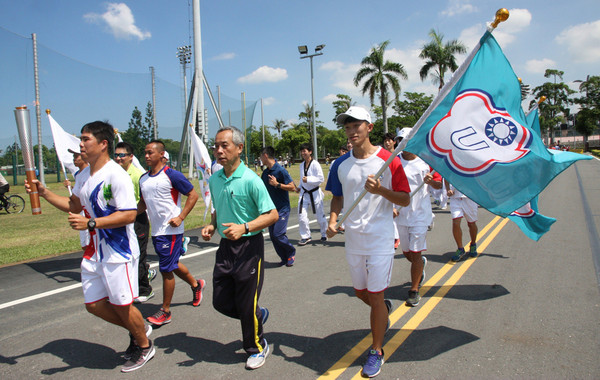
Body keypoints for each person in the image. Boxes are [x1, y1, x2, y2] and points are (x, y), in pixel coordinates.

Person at [25, 121, 154, 372]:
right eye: (81, 140)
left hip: (119, 250)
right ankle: (139, 329)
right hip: (94, 250)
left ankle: (144, 345)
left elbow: (128, 215)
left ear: (103, 143)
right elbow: (74, 206)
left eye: (85, 139)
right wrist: (45, 193)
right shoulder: (83, 175)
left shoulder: (116, 175)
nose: (80, 144)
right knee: (94, 305)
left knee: (122, 304)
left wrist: (91, 223)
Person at [326, 106, 411, 378]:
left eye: (356, 126)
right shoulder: (340, 164)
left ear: (369, 127)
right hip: (353, 240)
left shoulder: (389, 160)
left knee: (374, 296)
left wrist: (381, 190)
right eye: (347, 127)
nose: (351, 132)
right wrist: (332, 220)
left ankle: (376, 351)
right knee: (360, 293)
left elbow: (405, 198)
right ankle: (383, 311)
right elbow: (337, 197)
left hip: (380, 240)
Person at [201, 126, 278, 370]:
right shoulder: (215, 179)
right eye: (216, 146)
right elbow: (218, 208)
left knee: (245, 302)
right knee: (220, 301)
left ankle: (257, 346)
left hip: (249, 247)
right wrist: (212, 226)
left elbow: (272, 214)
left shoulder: (251, 180)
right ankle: (256, 314)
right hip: (225, 247)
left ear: (240, 148)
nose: (219, 150)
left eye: (225, 145)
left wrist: (244, 228)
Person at [138, 140, 205, 327]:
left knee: (166, 270)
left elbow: (193, 195)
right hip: (157, 231)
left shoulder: (172, 175)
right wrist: (125, 217)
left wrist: (181, 217)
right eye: (145, 152)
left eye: (150, 152)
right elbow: (143, 204)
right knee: (172, 264)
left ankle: (165, 311)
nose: (146, 156)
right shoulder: (143, 179)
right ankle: (196, 284)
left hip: (172, 230)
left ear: (161, 155)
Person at [395, 128, 443, 307]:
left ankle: (414, 290)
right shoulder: (394, 163)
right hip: (401, 214)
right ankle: (420, 264)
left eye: (407, 140)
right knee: (407, 252)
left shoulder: (426, 163)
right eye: (401, 140)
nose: (404, 144)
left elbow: (439, 185)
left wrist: (432, 182)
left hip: (419, 215)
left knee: (415, 252)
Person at [114, 142, 154, 303]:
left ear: (131, 157)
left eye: (122, 155)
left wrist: (128, 215)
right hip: (120, 221)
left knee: (138, 255)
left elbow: (144, 203)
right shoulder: (114, 174)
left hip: (137, 220)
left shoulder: (138, 176)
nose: (118, 158)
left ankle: (145, 289)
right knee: (125, 255)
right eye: (116, 155)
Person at [260, 146, 297, 267]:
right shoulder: (265, 173)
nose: (260, 159)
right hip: (270, 210)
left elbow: (292, 187)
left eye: (260, 156)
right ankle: (284, 257)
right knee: (273, 236)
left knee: (278, 234)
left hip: (282, 208)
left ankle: (291, 251)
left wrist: (277, 184)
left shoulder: (281, 170)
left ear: (265, 155)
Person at [296, 143, 328, 245]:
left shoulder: (315, 164)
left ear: (310, 152)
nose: (303, 153)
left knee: (319, 216)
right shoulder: (301, 165)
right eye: (302, 151)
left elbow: (321, 179)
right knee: (301, 215)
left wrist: (308, 179)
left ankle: (324, 233)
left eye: (305, 151)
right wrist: (299, 187)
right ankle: (306, 236)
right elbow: (302, 180)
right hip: (304, 193)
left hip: (315, 193)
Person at [445, 179, 479, 262]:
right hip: (455, 198)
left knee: (471, 224)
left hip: (470, 198)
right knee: (456, 222)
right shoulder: (453, 165)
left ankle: (473, 244)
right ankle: (460, 249)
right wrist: (448, 189)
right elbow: (446, 176)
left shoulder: (473, 166)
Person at [382, 132, 401, 249]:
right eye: (385, 141)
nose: (387, 143)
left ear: (394, 142)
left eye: (389, 140)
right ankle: (393, 236)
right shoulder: (381, 156)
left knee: (395, 214)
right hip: (385, 188)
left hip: (397, 188)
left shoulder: (398, 155)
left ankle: (396, 237)